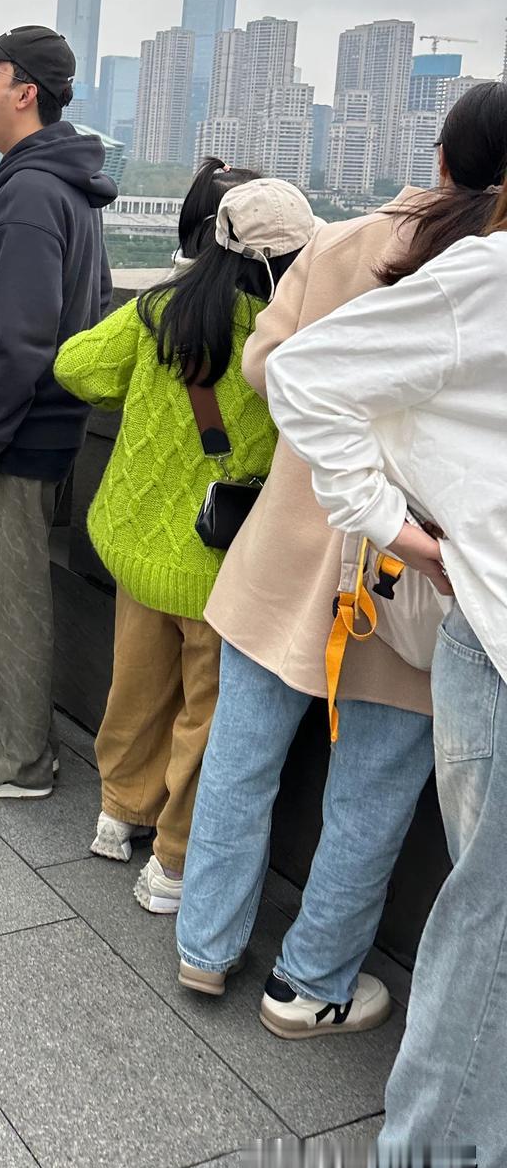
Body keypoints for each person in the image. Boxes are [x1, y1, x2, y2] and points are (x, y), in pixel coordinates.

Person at [177, 82, 507, 1043]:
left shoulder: (347, 239)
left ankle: (206, 943)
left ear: (440, 156)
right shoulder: (485, 270)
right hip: (417, 571)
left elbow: (264, 367)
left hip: (292, 538)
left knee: (241, 751)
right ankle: (311, 982)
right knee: (375, 787)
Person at [261, 209, 507, 1168]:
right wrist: (406, 533)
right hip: (478, 638)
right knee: (485, 923)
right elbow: (298, 375)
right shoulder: (482, 274)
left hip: (415, 611)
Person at [54, 168, 314, 913]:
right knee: (206, 713)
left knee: (134, 686)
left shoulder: (160, 310)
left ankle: (118, 811)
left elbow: (74, 366)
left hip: (136, 546)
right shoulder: (287, 339)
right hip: (216, 565)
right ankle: (172, 862)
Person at [0, 25, 115, 801]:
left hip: (16, 435)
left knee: (6, 599)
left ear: (25, 91)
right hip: (46, 426)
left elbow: (27, 334)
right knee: (15, 592)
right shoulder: (56, 183)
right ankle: (17, 745)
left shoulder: (31, 192)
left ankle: (15, 759)